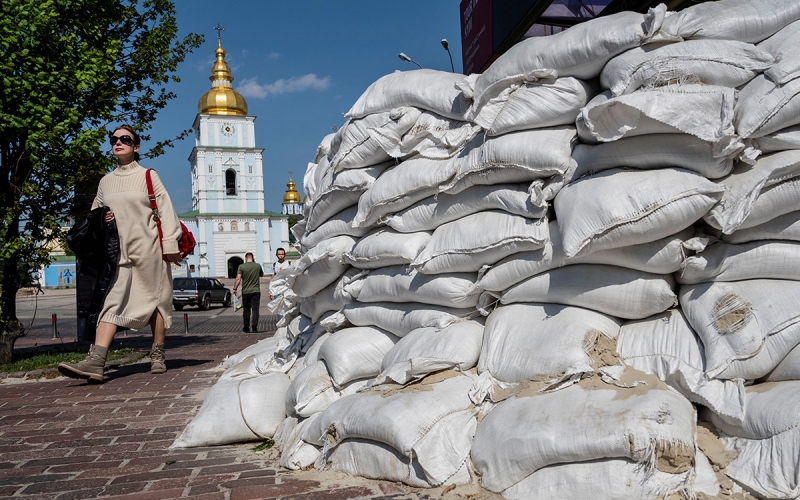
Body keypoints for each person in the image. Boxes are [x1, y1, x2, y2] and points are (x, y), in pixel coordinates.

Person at [58, 125, 182, 382]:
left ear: (136, 147)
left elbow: (167, 211)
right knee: (110, 303)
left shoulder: (149, 176)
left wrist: (170, 245)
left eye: (125, 139)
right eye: (114, 139)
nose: (118, 142)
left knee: (156, 302)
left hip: (150, 252)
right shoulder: (106, 181)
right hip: (118, 255)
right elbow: (94, 215)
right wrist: (102, 217)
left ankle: (157, 354)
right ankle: (96, 360)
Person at [233, 252, 263, 332]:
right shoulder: (258, 266)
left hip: (245, 292)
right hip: (256, 291)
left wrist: (234, 288)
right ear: (253, 258)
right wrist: (255, 263)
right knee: (255, 310)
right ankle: (254, 327)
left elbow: (238, 279)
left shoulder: (241, 266)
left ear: (245, 258)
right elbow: (261, 275)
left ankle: (246, 327)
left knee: (246, 310)